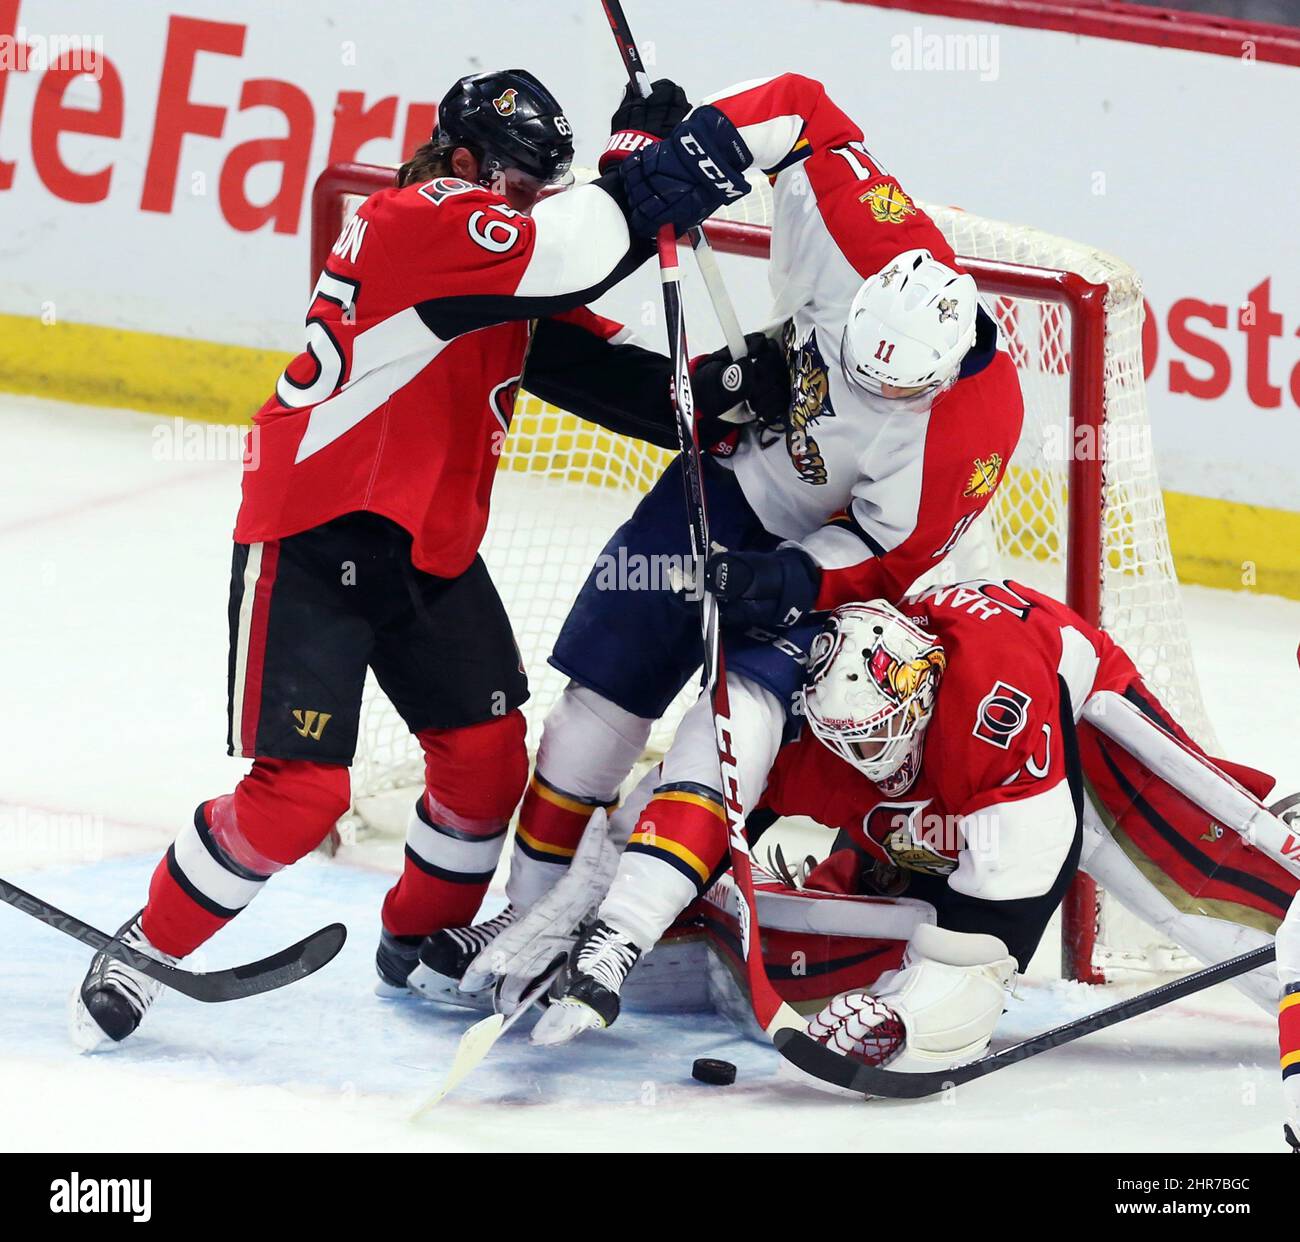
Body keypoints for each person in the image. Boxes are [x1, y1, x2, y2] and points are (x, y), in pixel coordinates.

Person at [71, 67, 773, 1049]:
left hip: (429, 549)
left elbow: (608, 373)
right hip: (318, 529)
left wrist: (735, 391)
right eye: (519, 185)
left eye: (542, 189)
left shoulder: (492, 259)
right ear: (459, 162)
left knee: (486, 771)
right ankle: (146, 944)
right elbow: (570, 252)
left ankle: (416, 939)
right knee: (300, 796)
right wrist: (646, 165)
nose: (529, 205)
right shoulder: (420, 218)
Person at [414, 72, 1027, 996]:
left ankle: (624, 929)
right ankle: (527, 908)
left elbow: (890, 550)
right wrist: (703, 156)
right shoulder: (862, 238)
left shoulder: (970, 434)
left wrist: (791, 584)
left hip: (808, 557)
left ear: (936, 379)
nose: (862, 390)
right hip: (730, 472)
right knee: (598, 698)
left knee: (725, 728)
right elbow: (805, 107)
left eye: (886, 389)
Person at [511, 579, 1299, 1064]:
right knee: (872, 883)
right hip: (967, 809)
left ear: (920, 688)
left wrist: (926, 1011)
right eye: (851, 742)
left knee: (1220, 905)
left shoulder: (990, 697)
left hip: (1082, 750)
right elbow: (695, 804)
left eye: (881, 734)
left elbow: (1016, 884)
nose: (870, 755)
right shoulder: (827, 730)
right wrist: (609, 915)